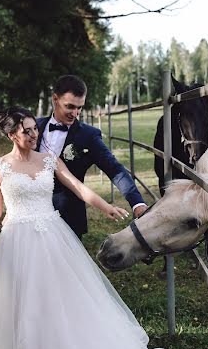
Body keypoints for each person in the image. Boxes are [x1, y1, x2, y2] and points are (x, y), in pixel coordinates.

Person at [0, 106, 169, 349]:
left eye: (34, 128)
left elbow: (77, 187)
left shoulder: (48, 159)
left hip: (52, 237)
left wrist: (106, 205)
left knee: (61, 300)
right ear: (11, 134)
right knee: (24, 304)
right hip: (16, 241)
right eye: (26, 130)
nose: (34, 134)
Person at [37, 75, 147, 239]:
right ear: (55, 99)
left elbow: (115, 169)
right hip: (33, 211)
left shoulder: (89, 136)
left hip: (68, 215)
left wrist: (137, 203)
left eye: (79, 108)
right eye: (70, 107)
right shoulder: (35, 126)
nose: (75, 113)